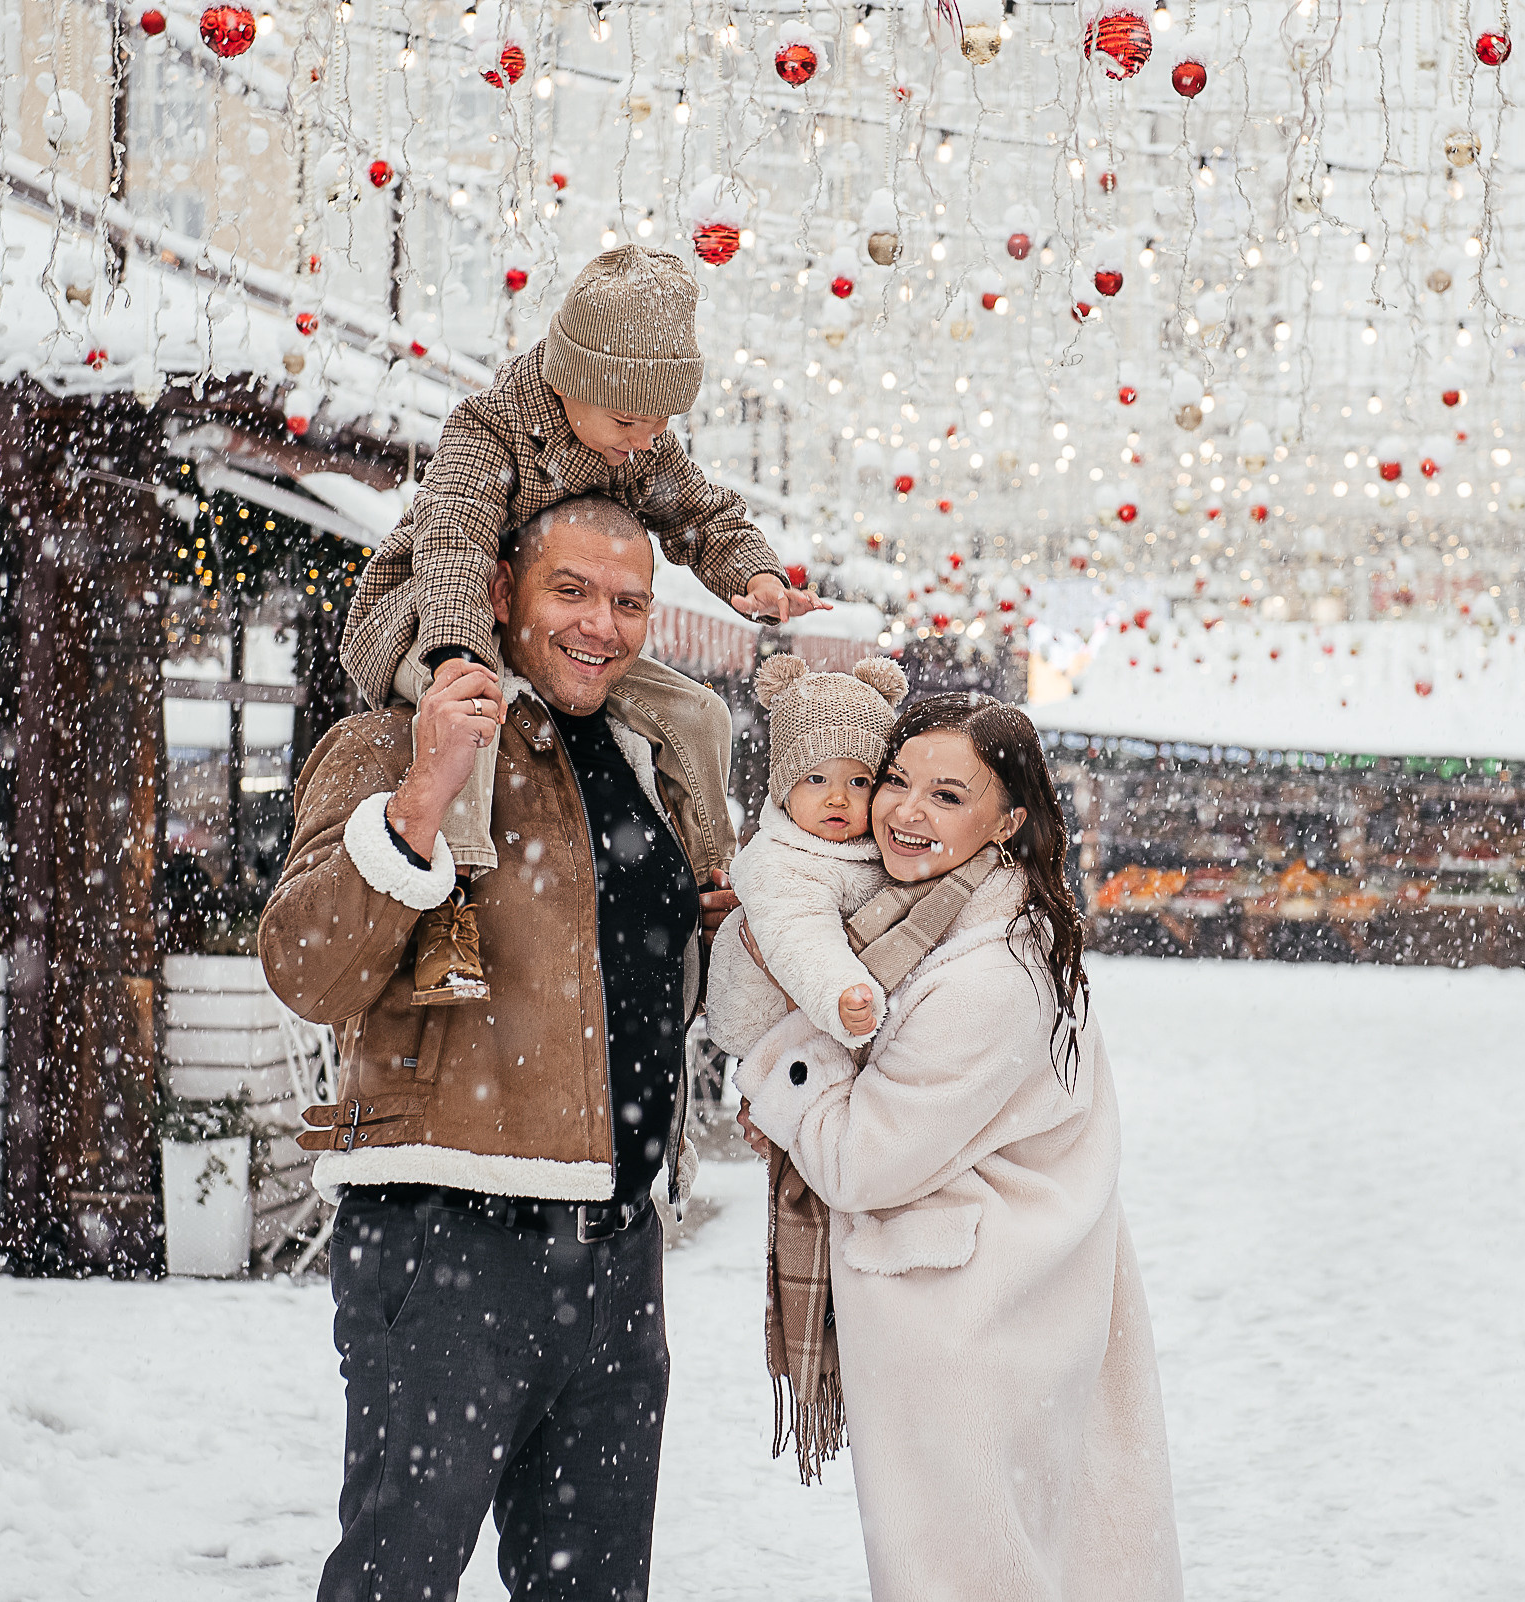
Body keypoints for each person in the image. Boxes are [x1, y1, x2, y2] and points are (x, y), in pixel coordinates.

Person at [261, 495, 739, 1602]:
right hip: (449, 1241)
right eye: (571, 591)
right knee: (398, 1578)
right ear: (497, 597)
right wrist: (423, 794)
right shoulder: (389, 739)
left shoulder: (650, 756)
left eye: (630, 602)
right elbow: (304, 968)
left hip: (618, 1246)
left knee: (594, 1588)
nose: (603, 626)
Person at [731, 694, 1183, 1602]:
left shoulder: (990, 971)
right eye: (895, 781)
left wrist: (778, 1065)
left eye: (946, 796)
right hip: (996, 1309)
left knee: (966, 1574)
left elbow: (862, 1159)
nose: (903, 811)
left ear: (1009, 821)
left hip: (974, 1328)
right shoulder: (932, 921)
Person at [339, 245, 826, 1008]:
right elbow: (456, 543)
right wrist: (461, 651)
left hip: (551, 632)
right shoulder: (487, 434)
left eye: (661, 420)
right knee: (474, 712)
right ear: (572, 381)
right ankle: (452, 907)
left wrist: (755, 577)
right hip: (426, 616)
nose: (645, 436)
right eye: (629, 417)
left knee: (698, 711)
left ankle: (711, 872)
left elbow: (702, 514)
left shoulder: (638, 446)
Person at [718, 653, 911, 1050]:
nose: (837, 798)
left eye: (859, 782)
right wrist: (840, 992)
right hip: (772, 1034)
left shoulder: (870, 849)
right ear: (786, 791)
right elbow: (800, 936)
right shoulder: (780, 861)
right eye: (817, 778)